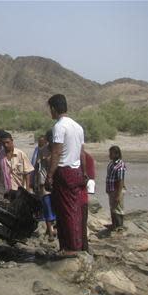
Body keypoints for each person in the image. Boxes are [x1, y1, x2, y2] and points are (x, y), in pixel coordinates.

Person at [45, 94, 87, 257]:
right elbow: (82, 153)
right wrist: (84, 173)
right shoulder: (78, 127)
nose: (50, 112)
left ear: (54, 109)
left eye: (50, 109)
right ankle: (74, 245)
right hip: (76, 171)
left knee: (65, 211)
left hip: (64, 171)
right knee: (74, 209)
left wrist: (50, 175)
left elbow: (56, 152)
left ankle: (71, 248)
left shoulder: (59, 127)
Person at [0, 131, 34, 197]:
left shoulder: (20, 154)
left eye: (7, 142)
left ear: (12, 141)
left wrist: (27, 190)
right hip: (5, 190)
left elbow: (27, 173)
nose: (6, 145)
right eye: (3, 143)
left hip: (19, 190)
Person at [34, 130, 56, 241]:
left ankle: (51, 229)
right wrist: (37, 183)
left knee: (55, 206)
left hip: (57, 182)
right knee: (47, 205)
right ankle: (51, 233)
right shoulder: (42, 151)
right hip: (44, 181)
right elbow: (38, 167)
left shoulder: (59, 150)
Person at [105, 145, 127, 231]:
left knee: (118, 208)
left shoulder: (120, 165)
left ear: (116, 154)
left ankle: (119, 226)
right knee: (112, 207)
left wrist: (118, 194)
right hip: (111, 189)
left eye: (111, 153)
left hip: (117, 189)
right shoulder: (111, 163)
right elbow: (109, 177)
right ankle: (114, 225)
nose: (109, 155)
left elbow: (120, 180)